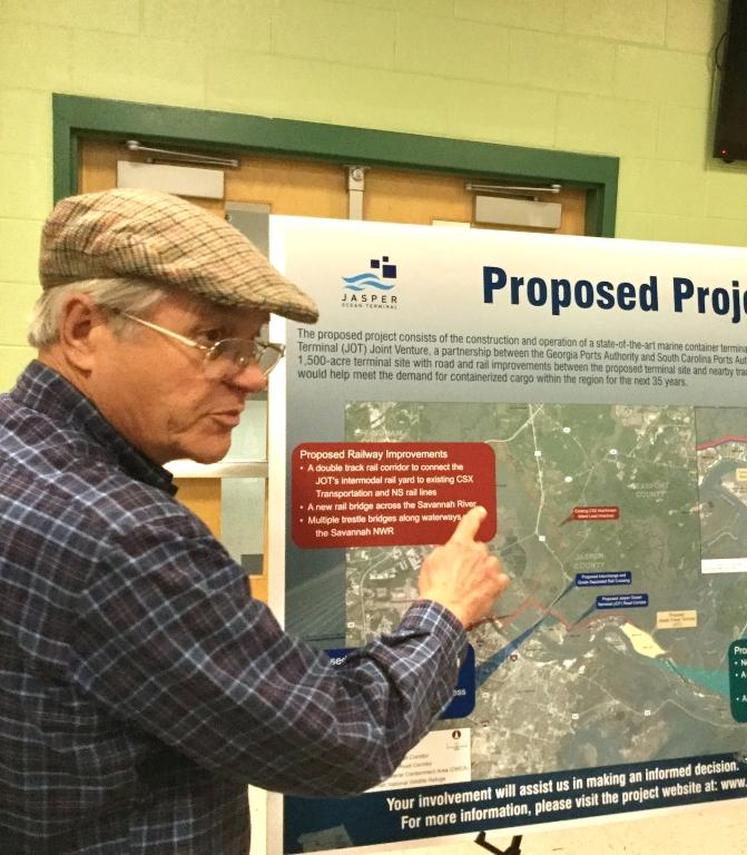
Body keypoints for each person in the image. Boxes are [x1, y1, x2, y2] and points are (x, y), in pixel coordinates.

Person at [0, 188, 509, 854]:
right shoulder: (123, 536)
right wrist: (444, 608)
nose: (253, 379)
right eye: (215, 339)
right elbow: (344, 737)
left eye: (255, 348)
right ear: (82, 329)